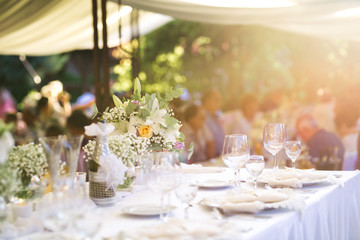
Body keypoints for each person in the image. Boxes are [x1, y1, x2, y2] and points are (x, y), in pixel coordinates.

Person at [334, 98, 359, 170]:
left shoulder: (339, 118)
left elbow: (342, 132)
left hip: (349, 149)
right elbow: (342, 132)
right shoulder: (339, 118)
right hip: (349, 148)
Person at [201, 89, 225, 157]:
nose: (220, 103)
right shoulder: (201, 117)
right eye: (217, 100)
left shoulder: (215, 116)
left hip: (221, 157)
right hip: (209, 159)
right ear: (207, 100)